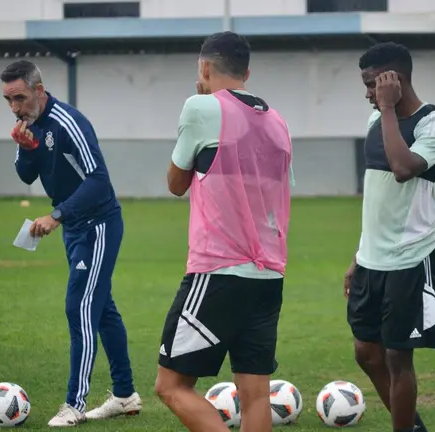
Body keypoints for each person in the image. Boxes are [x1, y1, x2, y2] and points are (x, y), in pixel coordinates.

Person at [154, 31, 295, 432]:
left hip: (219, 271)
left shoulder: (201, 107)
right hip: (269, 275)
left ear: (203, 67)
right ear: (247, 72)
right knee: (254, 396)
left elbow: (176, 183)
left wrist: (200, 100)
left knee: (170, 385)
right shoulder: (278, 121)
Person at [0, 60, 141, 428]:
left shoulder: (69, 122)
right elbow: (27, 174)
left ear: (39, 90)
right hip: (75, 228)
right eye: (8, 100)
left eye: (20, 97)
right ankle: (125, 395)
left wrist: (56, 214)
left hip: (98, 224)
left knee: (78, 306)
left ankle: (74, 404)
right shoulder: (28, 125)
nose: (15, 107)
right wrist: (26, 148)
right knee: (102, 309)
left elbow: (99, 180)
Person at [345, 42, 435, 432]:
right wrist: (358, 256)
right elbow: (377, 199)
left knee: (397, 359)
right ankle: (414, 426)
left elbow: (403, 168)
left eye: (373, 85)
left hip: (410, 261)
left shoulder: (433, 124)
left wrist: (388, 108)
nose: (368, 94)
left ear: (395, 80)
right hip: (371, 261)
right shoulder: (376, 123)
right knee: (365, 352)